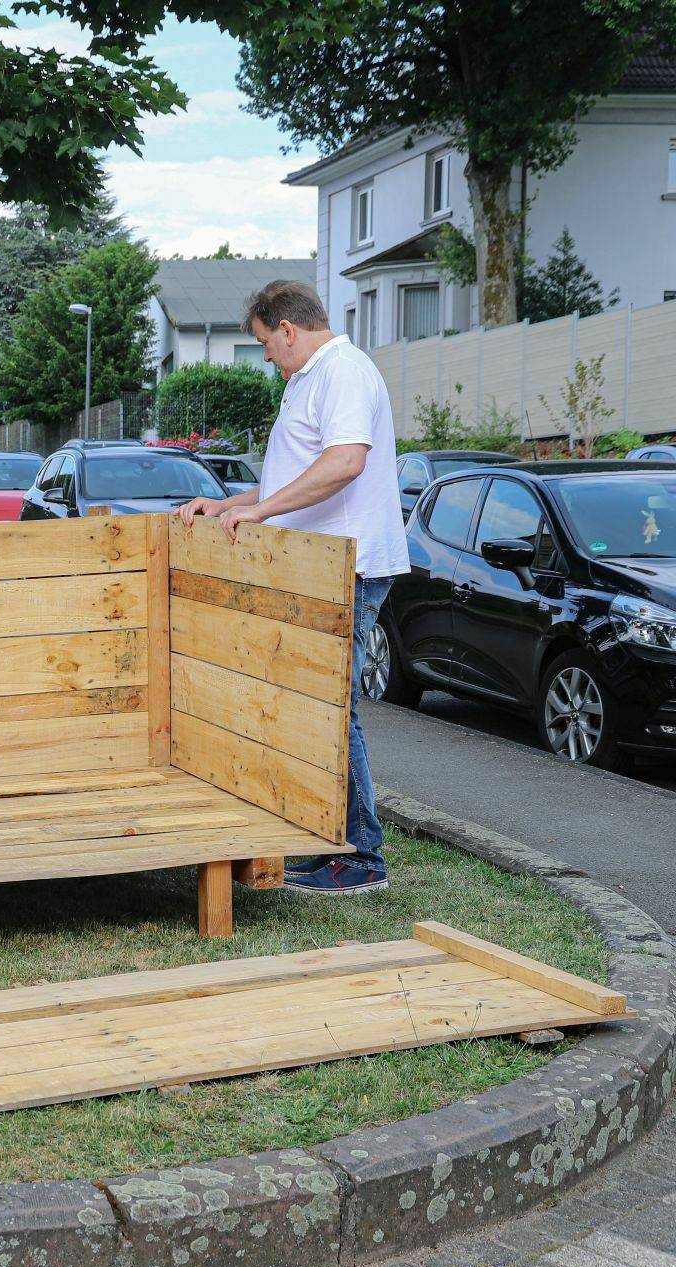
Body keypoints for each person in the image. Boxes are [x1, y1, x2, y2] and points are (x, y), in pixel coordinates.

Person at [175, 280, 408, 895]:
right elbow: (293, 476)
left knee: (335, 709)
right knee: (314, 706)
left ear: (287, 329)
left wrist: (260, 511)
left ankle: (362, 857)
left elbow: (345, 462)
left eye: (264, 343)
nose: (265, 356)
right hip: (317, 567)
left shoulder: (343, 372)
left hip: (349, 565)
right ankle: (332, 843)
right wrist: (231, 504)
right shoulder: (306, 379)